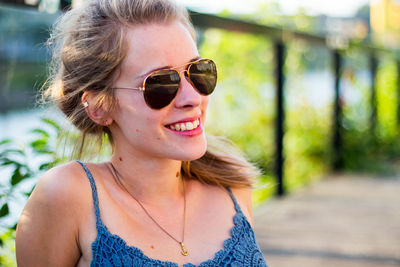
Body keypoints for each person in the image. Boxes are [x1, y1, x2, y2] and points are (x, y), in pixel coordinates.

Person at [15, 0, 268, 266]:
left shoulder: (233, 187)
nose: (192, 97)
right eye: (161, 83)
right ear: (99, 107)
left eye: (198, 72)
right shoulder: (69, 195)